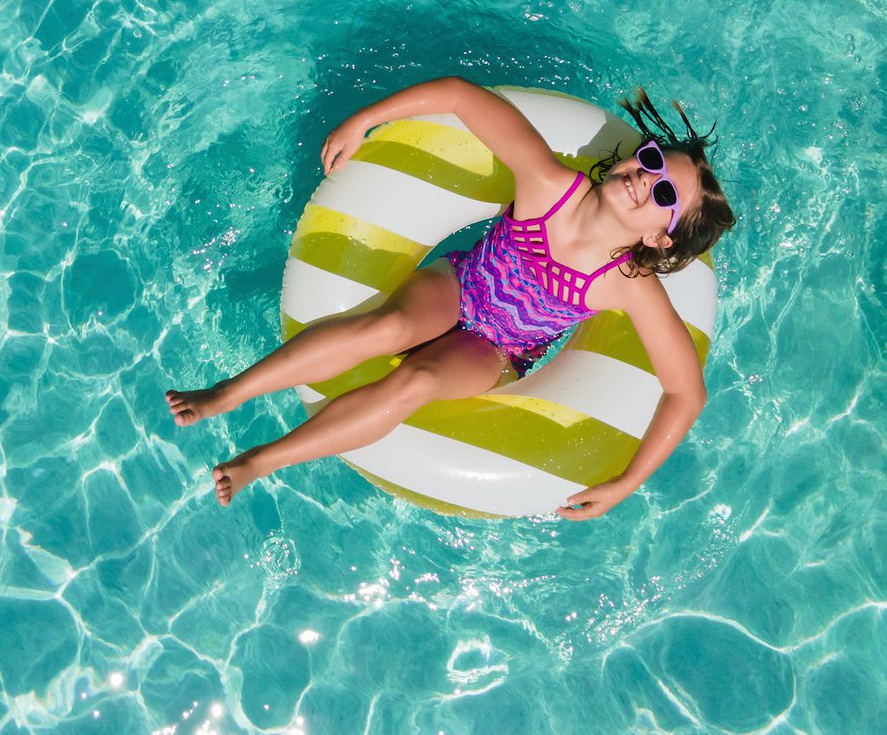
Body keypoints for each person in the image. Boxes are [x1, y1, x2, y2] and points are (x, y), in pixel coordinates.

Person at [166, 77, 736, 518]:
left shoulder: (625, 285)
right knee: (385, 329)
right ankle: (224, 393)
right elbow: (464, 99)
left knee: (416, 383)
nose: (645, 176)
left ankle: (259, 461)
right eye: (655, 159)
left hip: (497, 349)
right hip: (460, 284)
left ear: (659, 238)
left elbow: (686, 391)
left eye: (664, 192)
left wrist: (624, 485)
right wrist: (365, 120)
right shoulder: (547, 183)